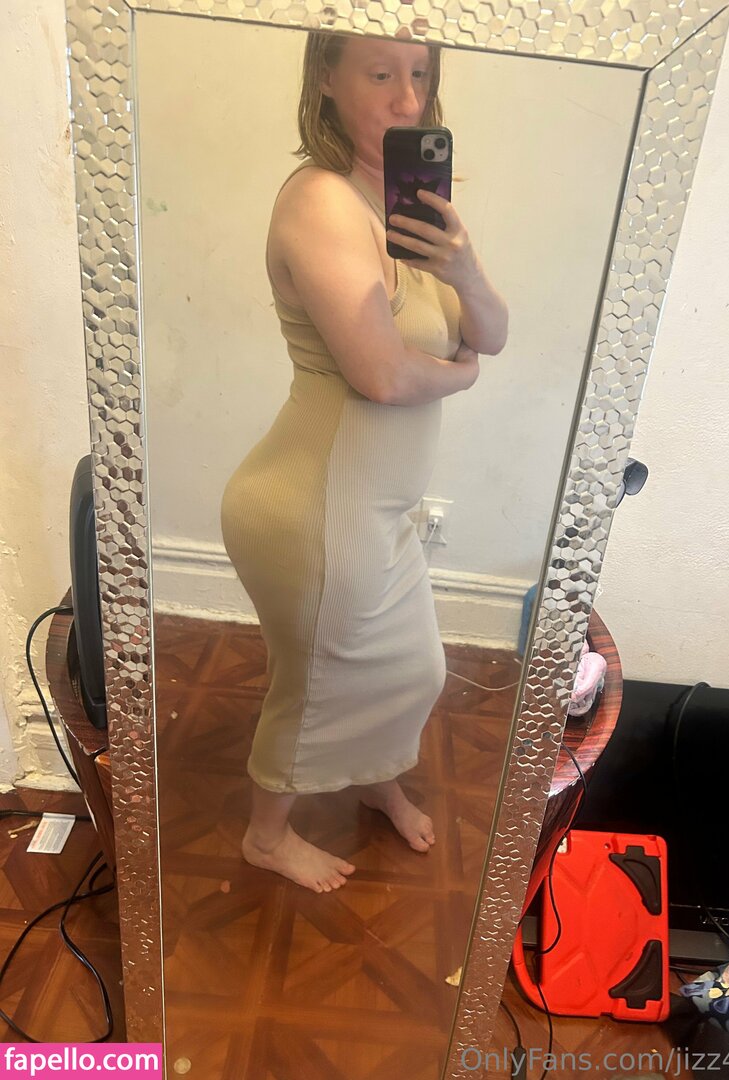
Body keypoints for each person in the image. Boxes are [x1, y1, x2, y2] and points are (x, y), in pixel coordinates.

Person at [220, 30, 509, 894]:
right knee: (316, 685)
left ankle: (373, 777)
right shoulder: (322, 202)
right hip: (316, 504)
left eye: (420, 75)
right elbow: (382, 375)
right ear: (326, 77)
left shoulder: (412, 206)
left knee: (414, 668)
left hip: (375, 506)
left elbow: (493, 330)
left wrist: (463, 265)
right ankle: (266, 837)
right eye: (381, 74)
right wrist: (461, 375)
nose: (407, 100)